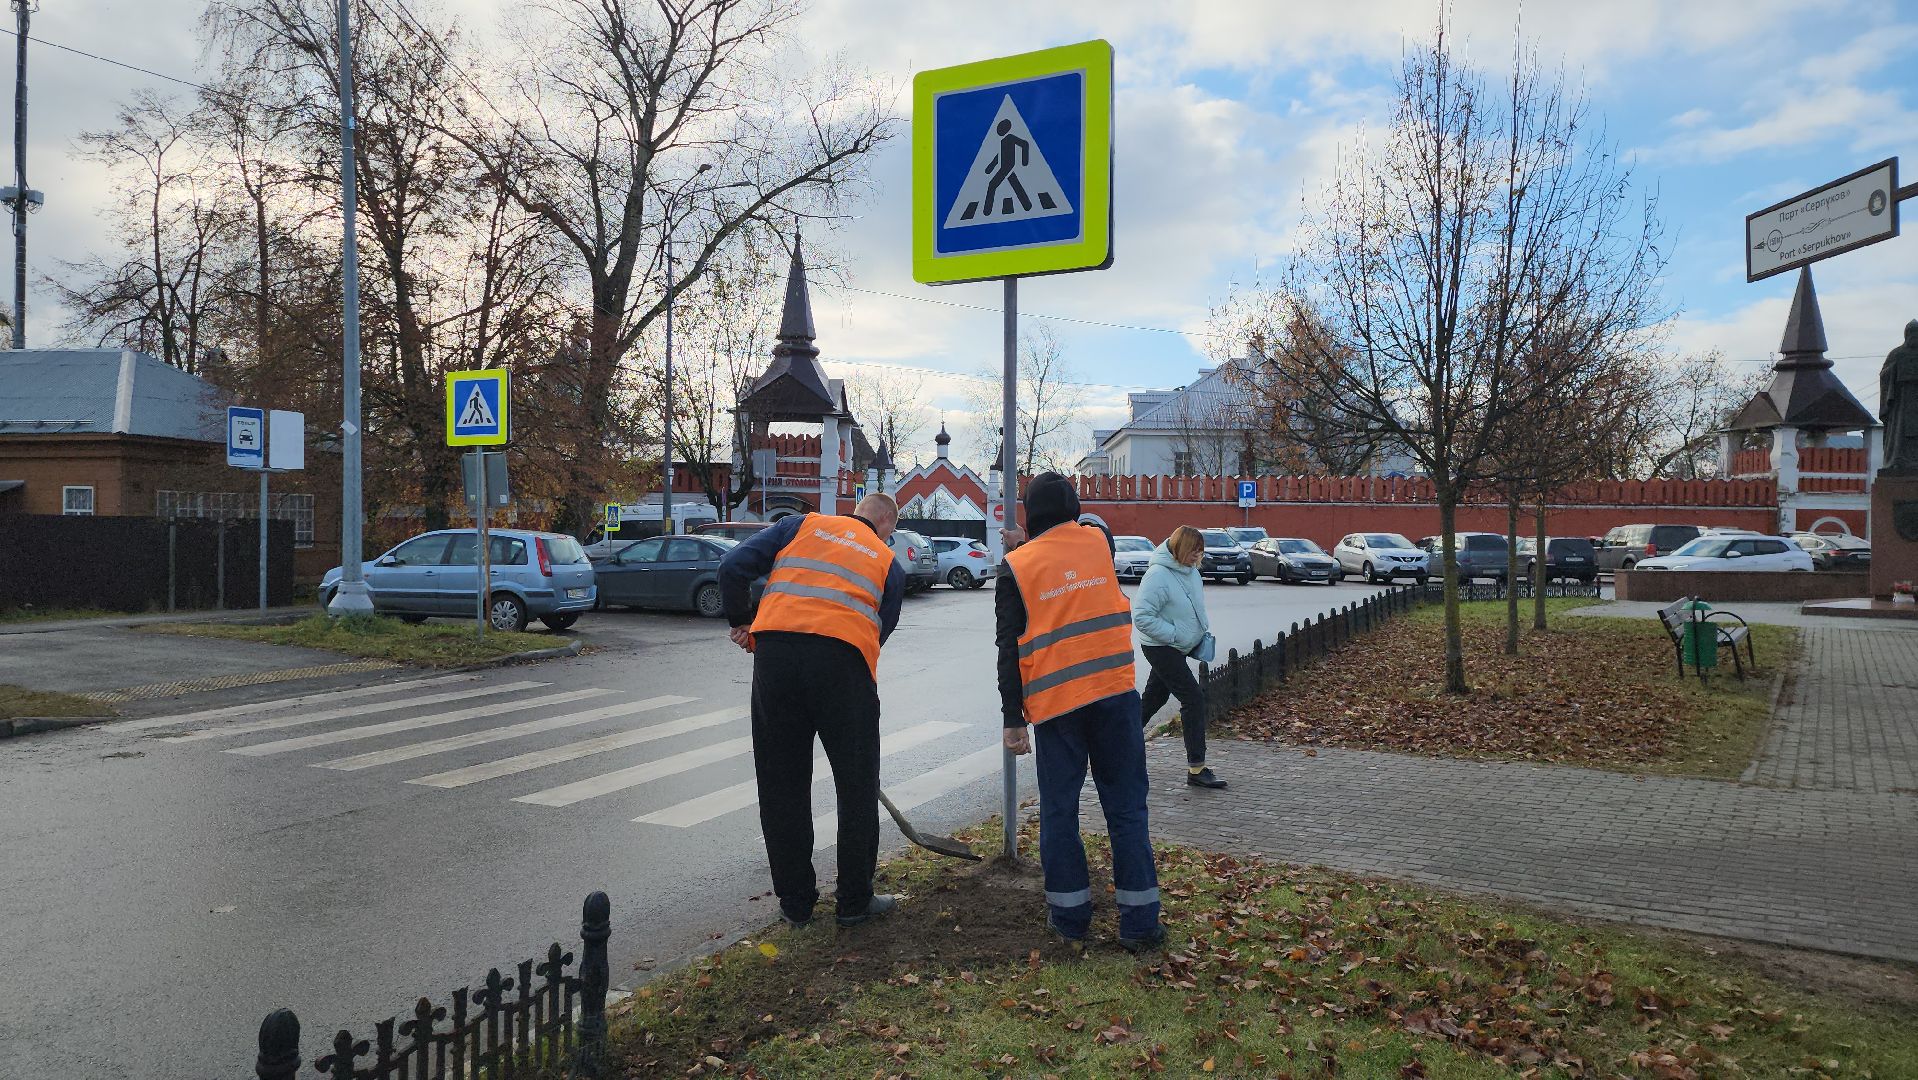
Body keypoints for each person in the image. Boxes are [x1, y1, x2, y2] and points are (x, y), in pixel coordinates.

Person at [718, 493, 908, 929]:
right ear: (886, 530)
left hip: (777, 656)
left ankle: (796, 903)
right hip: (845, 665)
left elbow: (731, 568)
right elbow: (881, 630)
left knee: (781, 782)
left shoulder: (800, 525)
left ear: (855, 514)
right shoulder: (887, 562)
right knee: (857, 784)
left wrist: (740, 620)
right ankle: (855, 901)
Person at [997, 472, 1165, 952]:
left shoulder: (1016, 567)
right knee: (1127, 810)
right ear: (1071, 509)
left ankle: (1070, 920)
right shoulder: (1099, 544)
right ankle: (1140, 925)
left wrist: (1013, 719)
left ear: (1029, 517)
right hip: (1115, 698)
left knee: (1059, 812)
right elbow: (1088, 527)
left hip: (1057, 710)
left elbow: (1007, 649)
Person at [1132, 526, 1226, 789]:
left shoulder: (1189, 571)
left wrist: (1196, 631)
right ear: (1182, 549)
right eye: (1194, 551)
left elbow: (1193, 604)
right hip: (1161, 647)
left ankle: (1116, 746)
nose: (1199, 557)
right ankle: (1197, 768)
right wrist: (1174, 635)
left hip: (1178, 646)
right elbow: (1142, 616)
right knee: (1193, 698)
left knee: (1154, 698)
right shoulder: (1158, 575)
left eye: (1200, 551)